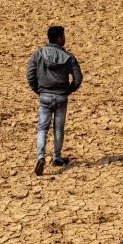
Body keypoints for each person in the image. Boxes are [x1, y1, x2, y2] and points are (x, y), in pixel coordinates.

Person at [26, 25, 83, 176]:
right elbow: (78, 78)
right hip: (61, 97)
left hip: (45, 96)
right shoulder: (69, 57)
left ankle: (40, 157)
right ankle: (57, 158)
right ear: (59, 39)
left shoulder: (39, 54)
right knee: (58, 128)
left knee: (42, 128)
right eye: (64, 36)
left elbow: (30, 74)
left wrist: (38, 90)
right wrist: (69, 90)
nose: (65, 39)